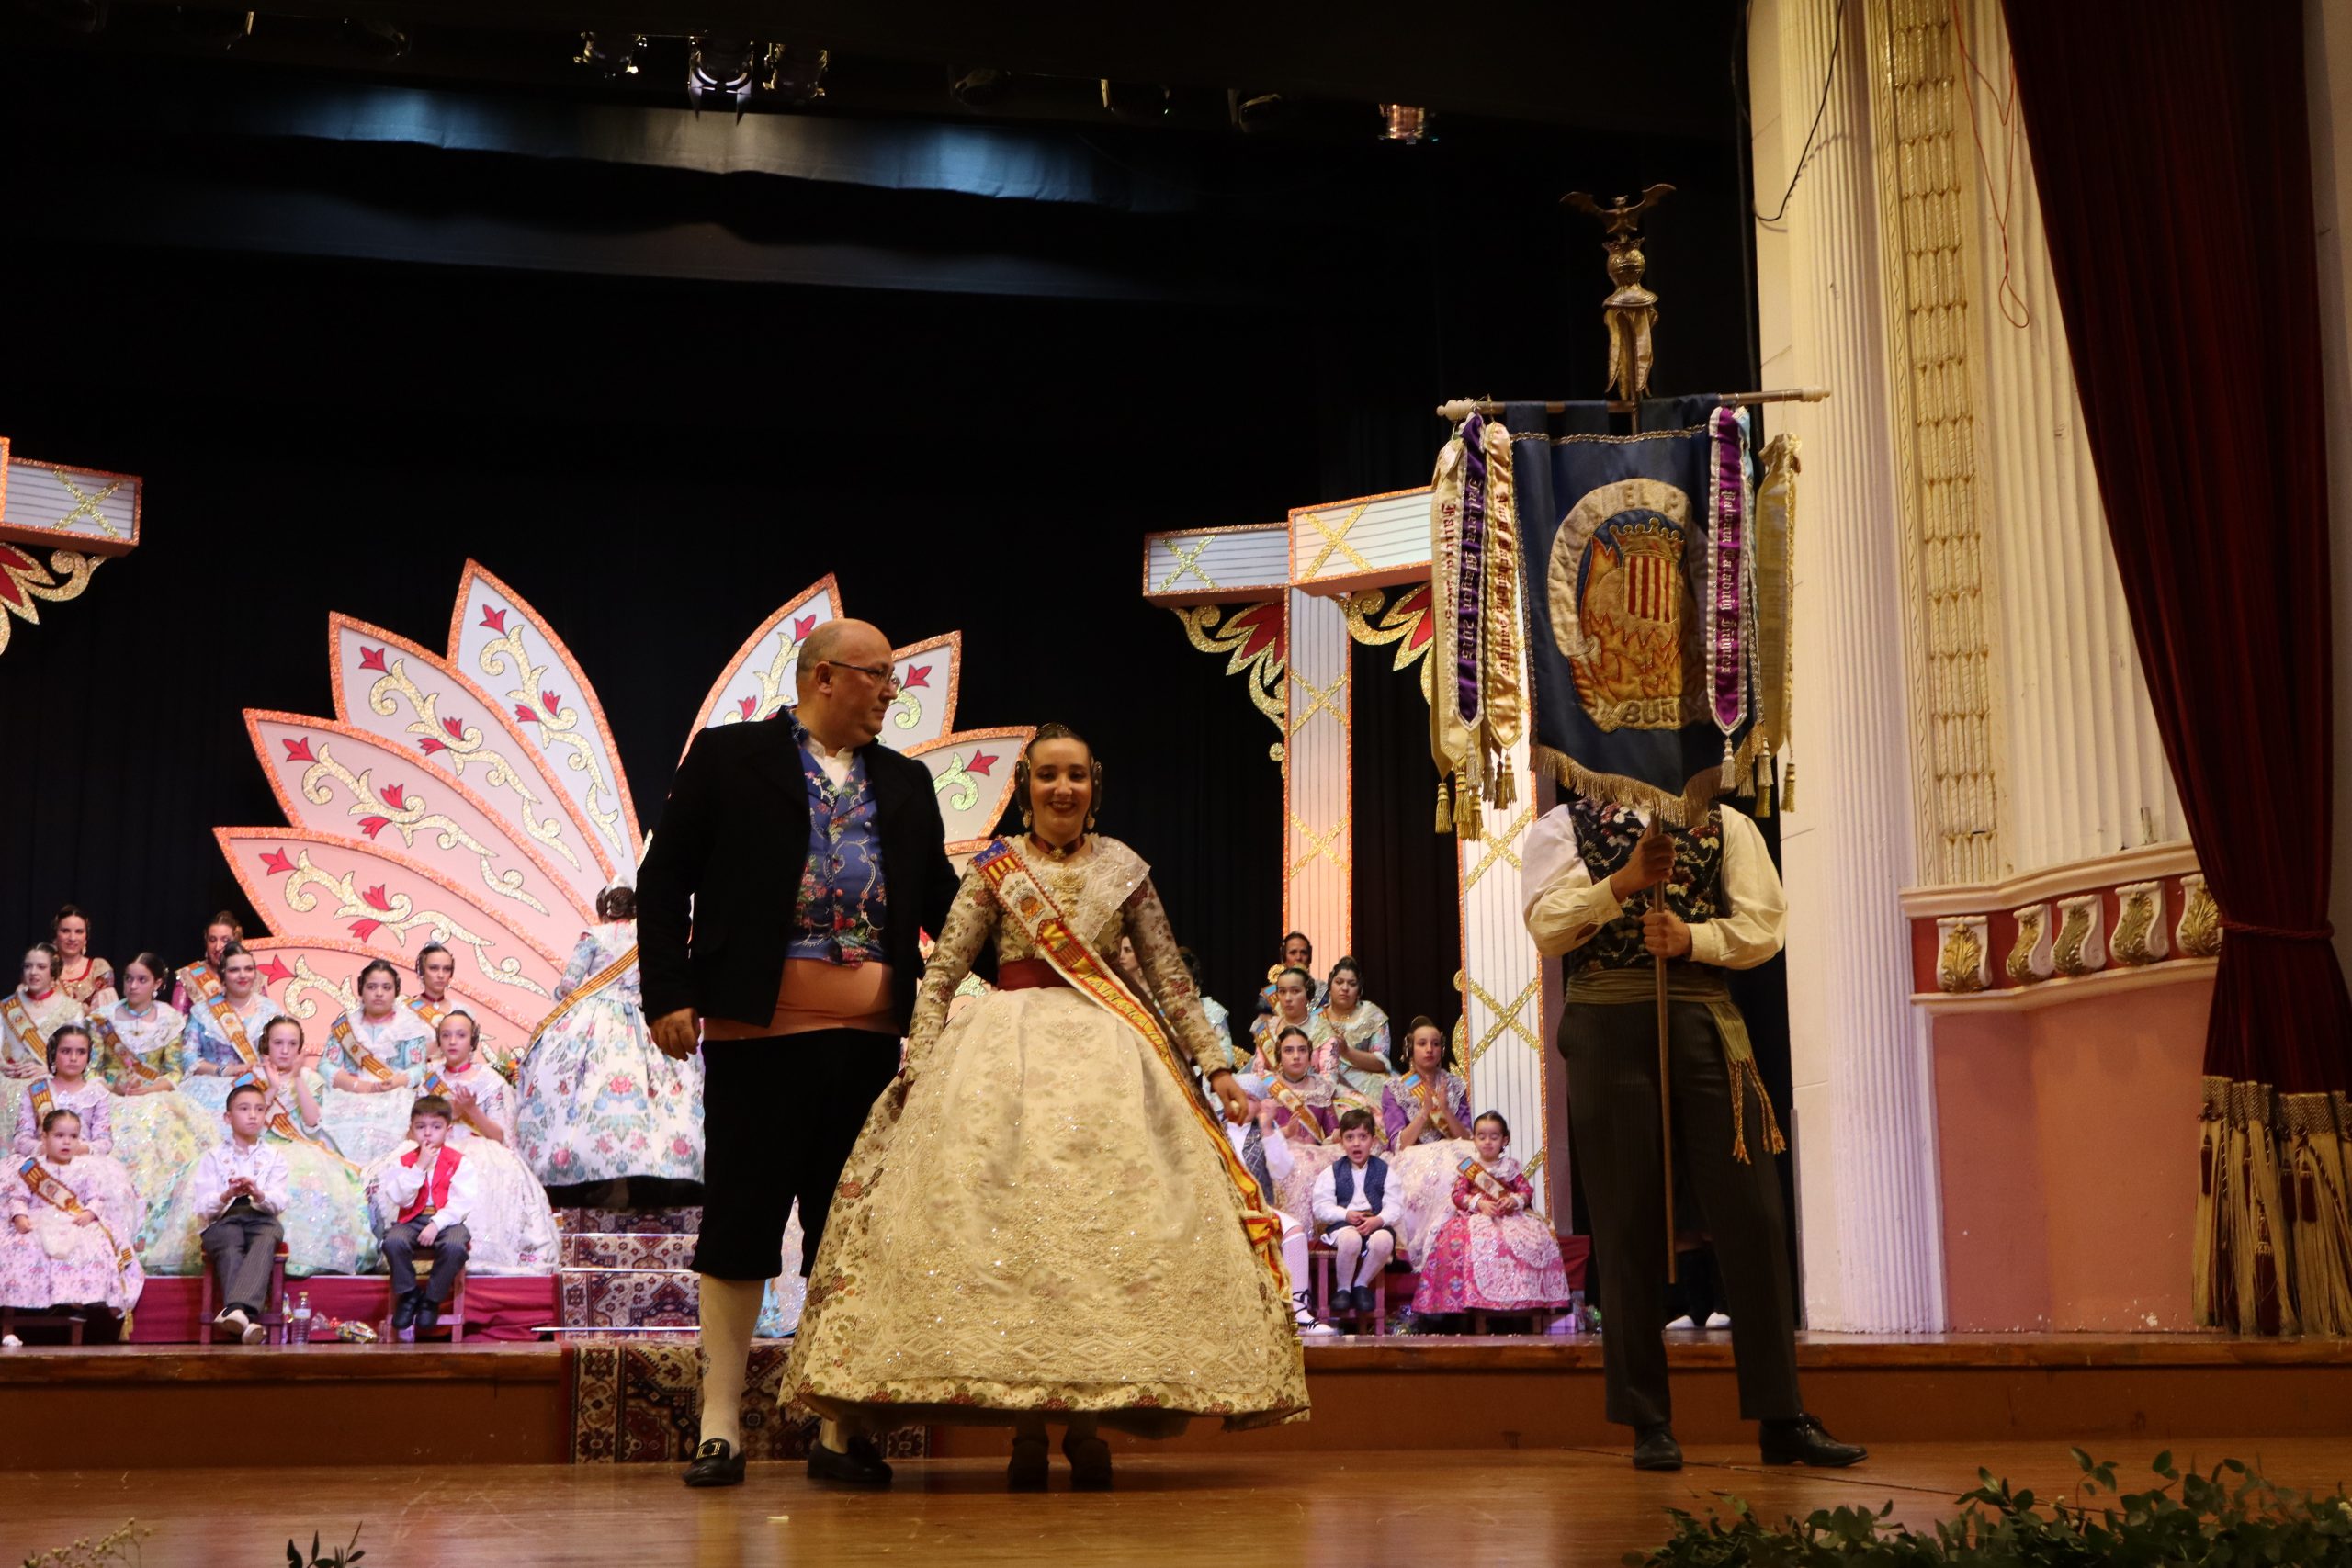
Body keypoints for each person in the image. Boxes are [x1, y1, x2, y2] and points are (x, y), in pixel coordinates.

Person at [786, 724, 1308, 1493]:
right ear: (1026, 787)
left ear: (1095, 786)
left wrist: (1218, 1065)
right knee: (1015, 1239)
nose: (1062, 788)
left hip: (1110, 1064)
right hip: (1003, 1062)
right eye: (1047, 775)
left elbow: (1169, 978)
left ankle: (1087, 1427)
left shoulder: (1125, 868)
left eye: (1076, 775)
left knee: (1100, 1240)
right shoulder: (995, 869)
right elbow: (942, 971)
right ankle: (1025, 1429)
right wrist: (922, 1058)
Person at [637, 617, 969, 1490]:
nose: (891, 691)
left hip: (868, 1044)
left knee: (844, 1231)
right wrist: (668, 991)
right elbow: (665, 878)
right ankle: (720, 1426)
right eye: (878, 675)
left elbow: (944, 900)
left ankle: (837, 1425)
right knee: (741, 1221)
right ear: (826, 677)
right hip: (756, 1035)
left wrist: (1034, 958)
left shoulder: (904, 781)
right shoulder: (728, 757)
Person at [1522, 795, 1864, 1471]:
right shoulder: (1564, 826)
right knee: (1625, 1221)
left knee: (1754, 1214)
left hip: (1704, 1015)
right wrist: (1622, 884)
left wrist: (1692, 939)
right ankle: (1647, 1419)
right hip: (1607, 1021)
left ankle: (1781, 1414)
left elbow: (1764, 925)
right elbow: (1549, 929)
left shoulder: (1724, 822)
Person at [149, 1022, 379, 1278]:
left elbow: (312, 1122)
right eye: (278, 1043)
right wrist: (272, 1088)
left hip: (294, 1146)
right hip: (252, 1147)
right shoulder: (250, 1077)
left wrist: (298, 1078)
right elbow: (248, 1120)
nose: (285, 1050)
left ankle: (300, 1258)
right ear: (267, 1045)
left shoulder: (310, 1079)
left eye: (292, 1044)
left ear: (300, 1049)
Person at [519, 885, 703, 1204]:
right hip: (644, 1021)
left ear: (603, 908)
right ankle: (652, 1176)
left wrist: (564, 1000)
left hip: (596, 1023)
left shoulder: (593, 936)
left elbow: (570, 985)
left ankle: (590, 1177)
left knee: (579, 1096)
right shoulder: (646, 936)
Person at [391, 1010, 557, 1271]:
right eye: (446, 1035)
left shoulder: (489, 1080)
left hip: (478, 1148)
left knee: (488, 1176)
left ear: (472, 1041)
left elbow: (498, 1135)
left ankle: (474, 1252)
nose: (452, 1041)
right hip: (431, 1147)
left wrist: (470, 1110)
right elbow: (412, 1129)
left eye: (460, 1035)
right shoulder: (427, 1078)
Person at [1411, 1111, 1573, 1323]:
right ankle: (1472, 1301)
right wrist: (1478, 1203)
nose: (1487, 1142)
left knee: (1533, 1238)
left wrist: (1514, 1200)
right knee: (1458, 1239)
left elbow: (1526, 1191)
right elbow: (1458, 1195)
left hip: (1510, 1217)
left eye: (1494, 1137)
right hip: (1476, 1217)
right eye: (1482, 1136)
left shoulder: (1511, 1167)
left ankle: (1523, 1298)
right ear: (1474, 1140)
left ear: (1504, 1140)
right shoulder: (1468, 1169)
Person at [3, 1108, 146, 1334]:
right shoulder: (31, 1168)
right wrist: (20, 1216)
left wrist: (89, 1213)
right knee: (19, 1247)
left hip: (75, 1220)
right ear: (44, 1137)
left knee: (93, 1246)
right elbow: (19, 1198)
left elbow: (95, 1198)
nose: (67, 1142)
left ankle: (77, 1301)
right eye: (59, 1136)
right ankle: (22, 1313)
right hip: (38, 1221)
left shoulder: (85, 1169)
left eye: (73, 1136)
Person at [186, 1079, 287, 1342]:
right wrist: (227, 1194)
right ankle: (245, 1318)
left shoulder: (274, 1156)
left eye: (259, 1109)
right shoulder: (213, 1156)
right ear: (227, 1117)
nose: (253, 1115)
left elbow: (279, 1201)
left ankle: (235, 1311)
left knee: (267, 1237)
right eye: (244, 1109)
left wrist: (258, 1193)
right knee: (230, 1240)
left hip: (261, 1216)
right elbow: (202, 1207)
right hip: (223, 1219)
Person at [374, 1095, 480, 1336]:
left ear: (448, 1130)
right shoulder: (404, 1162)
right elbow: (401, 1198)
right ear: (412, 1130)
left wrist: (436, 1223)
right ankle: (409, 1294)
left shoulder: (459, 1162)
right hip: (412, 1218)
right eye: (421, 1127)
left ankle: (431, 1299)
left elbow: (462, 1203)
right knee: (393, 1241)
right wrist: (419, 1166)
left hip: (448, 1220)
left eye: (436, 1127)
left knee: (455, 1246)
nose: (428, 1134)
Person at [1380, 1016, 1477, 1269]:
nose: (1429, 1049)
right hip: (1415, 1156)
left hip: (1454, 1150)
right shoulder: (1395, 1087)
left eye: (1435, 1044)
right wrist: (1424, 1113)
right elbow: (1399, 1144)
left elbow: (1467, 1137)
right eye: (1422, 1043)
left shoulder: (1455, 1085)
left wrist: (1445, 1110)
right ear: (1410, 1048)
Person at [319, 960, 438, 1164]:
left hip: (395, 1094)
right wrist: (358, 1085)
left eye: (386, 988)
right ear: (361, 990)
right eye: (372, 987)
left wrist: (395, 1083)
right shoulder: (346, 1026)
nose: (379, 993)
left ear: (396, 991)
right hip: (351, 1094)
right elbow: (325, 1065)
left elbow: (419, 1068)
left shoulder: (409, 1026)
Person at [1310, 1107, 1401, 1315]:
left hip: (1374, 1224)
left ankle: (1361, 1284)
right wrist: (1345, 1215)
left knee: (1384, 1241)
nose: (1356, 1143)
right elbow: (1321, 1206)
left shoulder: (1385, 1171)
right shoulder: (1332, 1172)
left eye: (1363, 1137)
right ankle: (1343, 1289)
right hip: (1344, 1226)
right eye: (1350, 1138)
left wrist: (1378, 1220)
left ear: (1373, 1141)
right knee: (1351, 1240)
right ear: (1341, 1142)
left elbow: (1395, 1206)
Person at [175, 943, 277, 1114]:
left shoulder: (270, 1011)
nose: (243, 975)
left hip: (260, 1083)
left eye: (248, 969)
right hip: (212, 1085)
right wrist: (224, 1070)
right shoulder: (202, 1012)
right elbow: (188, 1057)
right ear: (223, 974)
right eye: (234, 970)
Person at [4, 945, 83, 1131]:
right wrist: (5, 1066)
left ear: (53, 971)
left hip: (54, 1081)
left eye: (41, 967)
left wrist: (49, 1069)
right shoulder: (7, 1007)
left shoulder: (71, 1008)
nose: (33, 972)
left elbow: (79, 1054)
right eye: (28, 966)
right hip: (9, 1082)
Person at [13, 1025, 114, 1157]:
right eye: (66, 1051)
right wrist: (44, 1149)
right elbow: (21, 1137)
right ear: (53, 1053)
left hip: (84, 1160)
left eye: (81, 1052)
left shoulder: (97, 1093)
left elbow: (105, 1140)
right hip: (43, 1159)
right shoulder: (36, 1090)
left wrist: (81, 1149)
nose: (74, 1058)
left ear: (89, 1056)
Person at [91, 953, 185, 1093]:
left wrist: (150, 1089)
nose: (133, 986)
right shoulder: (102, 1017)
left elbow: (175, 1072)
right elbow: (91, 1070)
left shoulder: (169, 1019)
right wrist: (112, 1089)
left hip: (154, 1095)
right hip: (110, 1094)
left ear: (157, 984)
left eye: (142, 980)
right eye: (128, 979)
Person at [1308, 957, 1391, 1101]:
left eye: (1352, 984)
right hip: (1324, 1084)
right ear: (1330, 986)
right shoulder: (1315, 1018)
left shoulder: (1372, 1014)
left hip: (1367, 1085)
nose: (1345, 988)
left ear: (1359, 990)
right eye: (1339, 982)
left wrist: (1347, 1052)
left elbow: (1381, 1063)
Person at [170, 912, 243, 1016]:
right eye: (212, 940)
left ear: (236, 941)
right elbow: (176, 1022)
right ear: (206, 941)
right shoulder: (188, 976)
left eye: (225, 940)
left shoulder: (250, 976)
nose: (218, 947)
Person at [1250, 966, 1321, 1071]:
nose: (1288, 998)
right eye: (1282, 992)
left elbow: (1329, 1076)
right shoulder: (1267, 1029)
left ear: (1308, 994)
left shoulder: (1322, 1030)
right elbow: (1258, 1073)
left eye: (1295, 991)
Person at [51, 907, 118, 1011]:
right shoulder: (43, 968)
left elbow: (107, 1016)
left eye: (79, 932)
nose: (72, 938)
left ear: (86, 937)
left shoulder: (98, 969)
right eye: (65, 931)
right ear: (56, 934)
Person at [1257, 931, 1326, 1012]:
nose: (1298, 957)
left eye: (1304, 953)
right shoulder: (1268, 997)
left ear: (1310, 958)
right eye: (1293, 953)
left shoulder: (1323, 992)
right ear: (1283, 957)